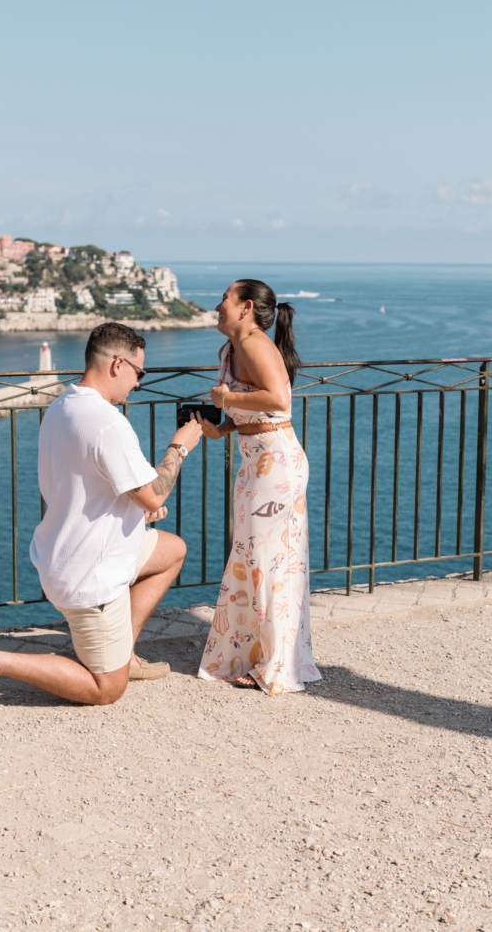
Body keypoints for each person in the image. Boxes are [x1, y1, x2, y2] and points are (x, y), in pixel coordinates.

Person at [0, 322, 204, 711]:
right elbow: (154, 491)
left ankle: (124, 652)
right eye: (139, 373)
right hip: (91, 575)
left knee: (171, 550)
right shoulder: (107, 422)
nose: (138, 384)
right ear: (118, 364)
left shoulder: (62, 407)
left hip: (64, 553)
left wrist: (135, 512)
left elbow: (82, 488)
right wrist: (180, 446)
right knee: (106, 690)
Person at [195, 280, 321, 695]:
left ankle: (275, 665)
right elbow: (256, 404)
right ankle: (257, 654)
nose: (217, 305)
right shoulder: (233, 347)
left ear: (246, 307)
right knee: (253, 558)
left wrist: (226, 396)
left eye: (225, 299)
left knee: (269, 562)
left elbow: (279, 400)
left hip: (275, 465)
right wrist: (222, 426)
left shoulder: (253, 343)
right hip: (257, 462)